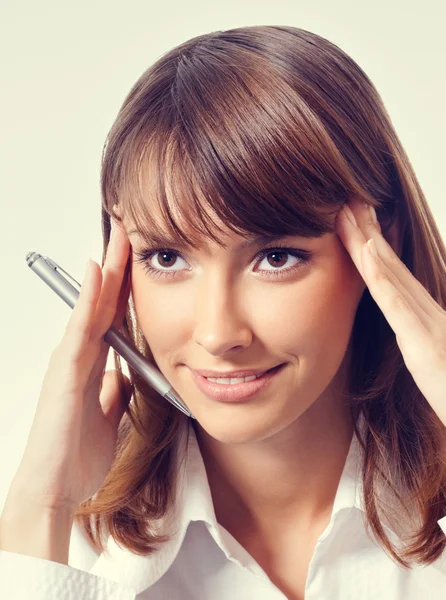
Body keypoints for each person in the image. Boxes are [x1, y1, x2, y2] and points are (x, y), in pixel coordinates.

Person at [1, 24, 446, 600]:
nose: (217, 333)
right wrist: (43, 502)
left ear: (377, 251)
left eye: (276, 256)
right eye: (166, 256)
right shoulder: (70, 550)